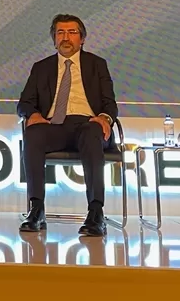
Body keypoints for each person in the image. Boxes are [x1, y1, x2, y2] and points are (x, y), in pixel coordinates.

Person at [16, 14, 118, 237]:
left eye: (72, 32)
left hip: (88, 124)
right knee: (32, 133)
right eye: (60, 32)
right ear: (54, 39)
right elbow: (24, 103)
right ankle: (36, 209)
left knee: (91, 132)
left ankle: (96, 213)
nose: (66, 37)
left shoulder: (97, 64)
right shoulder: (41, 68)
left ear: (82, 39)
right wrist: (32, 114)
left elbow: (110, 104)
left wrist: (104, 118)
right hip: (55, 125)